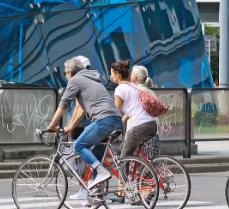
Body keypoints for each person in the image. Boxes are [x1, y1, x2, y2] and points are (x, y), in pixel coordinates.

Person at [45, 57, 123, 190]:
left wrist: (51, 126)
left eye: (65, 73)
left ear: (70, 72)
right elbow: (80, 109)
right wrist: (70, 127)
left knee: (78, 146)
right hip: (116, 120)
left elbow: (63, 104)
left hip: (103, 120)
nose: (65, 76)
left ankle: (102, 173)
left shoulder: (75, 80)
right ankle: (95, 195)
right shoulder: (92, 80)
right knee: (96, 158)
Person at [111, 60, 158, 157]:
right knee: (136, 155)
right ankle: (142, 170)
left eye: (112, 74)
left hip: (139, 125)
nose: (111, 77)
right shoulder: (134, 86)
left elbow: (114, 112)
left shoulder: (120, 88)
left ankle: (125, 172)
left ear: (117, 75)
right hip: (152, 124)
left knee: (124, 158)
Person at [130, 64, 160, 160]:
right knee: (149, 162)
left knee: (124, 155)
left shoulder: (136, 91)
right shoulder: (150, 92)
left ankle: (124, 174)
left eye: (132, 73)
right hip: (153, 129)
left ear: (135, 76)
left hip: (138, 129)